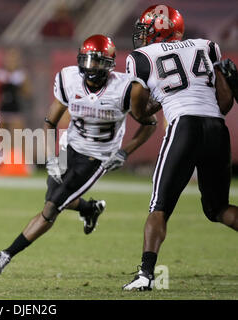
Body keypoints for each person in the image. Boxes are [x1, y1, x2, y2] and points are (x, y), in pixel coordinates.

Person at [0, 35, 157, 275]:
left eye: (97, 62)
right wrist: (50, 158)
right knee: (55, 194)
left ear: (109, 64)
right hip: (70, 146)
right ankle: (89, 209)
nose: (90, 67)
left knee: (52, 206)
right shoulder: (69, 80)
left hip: (99, 156)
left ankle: (7, 254)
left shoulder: (127, 89)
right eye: (86, 61)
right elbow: (50, 122)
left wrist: (124, 152)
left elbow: (150, 123)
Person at [122, 5, 238, 291]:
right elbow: (225, 104)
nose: (143, 37)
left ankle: (146, 275)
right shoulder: (207, 46)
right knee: (219, 208)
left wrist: (147, 110)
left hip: (183, 126)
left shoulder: (141, 57)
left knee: (159, 207)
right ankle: (145, 275)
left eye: (148, 31)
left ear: (161, 31)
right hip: (216, 128)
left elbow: (138, 106)